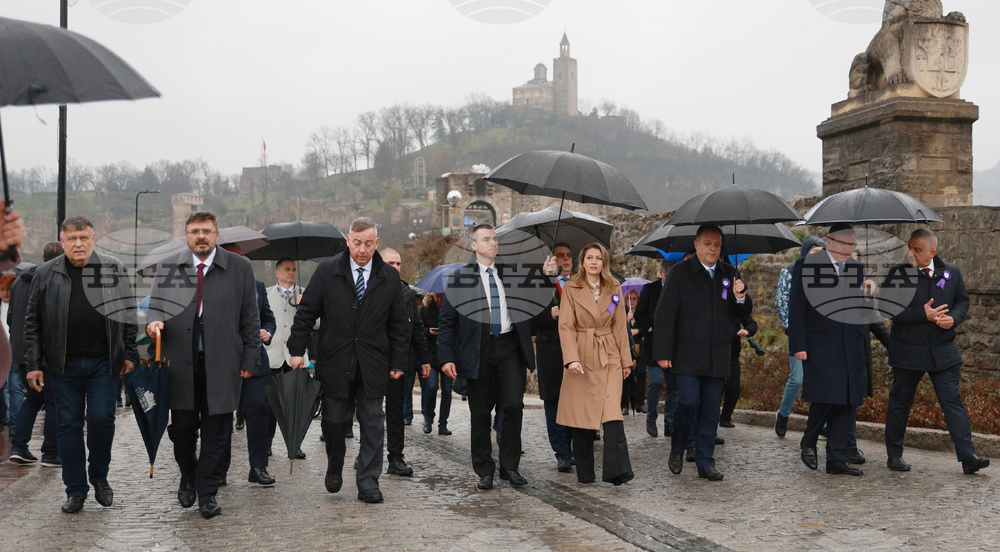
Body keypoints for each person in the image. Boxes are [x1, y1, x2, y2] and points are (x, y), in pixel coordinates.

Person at [287, 217, 409, 504]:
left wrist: (398, 362)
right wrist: (296, 350)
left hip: (373, 363)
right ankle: (335, 464)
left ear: (376, 242)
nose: (362, 249)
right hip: (334, 361)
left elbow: (399, 326)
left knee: (372, 422)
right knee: (333, 422)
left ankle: (368, 482)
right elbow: (306, 314)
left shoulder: (388, 278)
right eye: (357, 243)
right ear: (348, 241)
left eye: (368, 243)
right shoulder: (328, 272)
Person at [146, 211, 261, 518]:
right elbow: (155, 307)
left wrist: (250, 357)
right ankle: (188, 474)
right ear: (186, 236)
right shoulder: (170, 267)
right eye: (195, 230)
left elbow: (250, 317)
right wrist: (153, 322)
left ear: (216, 234)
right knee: (182, 428)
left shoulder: (240, 268)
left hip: (223, 363)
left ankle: (207, 491)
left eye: (206, 231)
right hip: (180, 363)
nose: (201, 236)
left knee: (218, 432)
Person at [25, 216, 138, 513]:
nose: (78, 244)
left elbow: (128, 312)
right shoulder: (47, 273)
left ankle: (99, 476)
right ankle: (75, 490)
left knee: (102, 419)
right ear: (62, 241)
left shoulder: (113, 268)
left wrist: (130, 353)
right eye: (72, 238)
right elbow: (32, 322)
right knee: (68, 426)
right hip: (62, 365)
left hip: (104, 362)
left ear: (93, 237)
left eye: (84, 237)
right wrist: (33, 364)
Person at [882, 228, 990, 474]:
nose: (911, 253)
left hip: (943, 351)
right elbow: (889, 310)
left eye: (917, 250)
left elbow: (963, 300)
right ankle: (894, 455)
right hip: (908, 351)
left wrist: (953, 318)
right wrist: (924, 315)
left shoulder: (951, 272)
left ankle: (968, 457)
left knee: (952, 401)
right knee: (900, 403)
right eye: (909, 247)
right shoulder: (898, 274)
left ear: (932, 251)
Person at [438, 224, 536, 490]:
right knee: (480, 413)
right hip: (476, 351)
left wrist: (548, 276)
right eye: (487, 239)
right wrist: (446, 357)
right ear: (474, 245)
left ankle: (510, 467)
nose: (493, 243)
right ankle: (484, 469)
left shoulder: (512, 275)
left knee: (514, 405)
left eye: (495, 239)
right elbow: (447, 322)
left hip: (509, 347)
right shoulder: (460, 279)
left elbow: (533, 303)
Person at [653, 225, 751, 481]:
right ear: (696, 245)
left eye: (717, 244)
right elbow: (664, 315)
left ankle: (705, 461)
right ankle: (678, 447)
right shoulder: (680, 273)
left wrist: (740, 296)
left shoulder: (729, 274)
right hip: (685, 354)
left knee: (710, 409)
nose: (712, 249)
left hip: (717, 354)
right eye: (707, 243)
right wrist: (663, 352)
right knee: (688, 402)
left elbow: (742, 313)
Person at [788, 224, 868, 476]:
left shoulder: (856, 268)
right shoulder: (808, 266)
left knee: (846, 400)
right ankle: (808, 441)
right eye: (842, 244)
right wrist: (798, 344)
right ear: (830, 242)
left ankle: (836, 457)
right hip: (820, 342)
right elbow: (797, 307)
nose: (847, 249)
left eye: (851, 245)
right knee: (824, 398)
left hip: (850, 342)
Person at [557, 243, 634, 485]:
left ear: (604, 262)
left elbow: (620, 327)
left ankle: (617, 471)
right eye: (589, 257)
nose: (593, 262)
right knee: (582, 417)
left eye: (598, 258)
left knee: (612, 414)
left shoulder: (614, 287)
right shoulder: (571, 288)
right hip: (581, 353)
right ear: (583, 261)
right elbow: (566, 326)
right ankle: (585, 473)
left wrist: (625, 362)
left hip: (609, 353)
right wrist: (571, 358)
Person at [218, 243, 277, 487]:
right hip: (222, 362)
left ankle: (258, 466)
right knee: (221, 418)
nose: (237, 261)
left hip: (255, 361)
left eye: (240, 257)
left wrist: (268, 332)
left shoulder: (258, 287)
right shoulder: (213, 286)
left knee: (256, 411)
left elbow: (269, 319)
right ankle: (219, 470)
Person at [8, 242, 63, 466]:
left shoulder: (20, 281)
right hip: (44, 352)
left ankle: (19, 446)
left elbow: (12, 316)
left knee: (32, 398)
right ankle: (50, 452)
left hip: (20, 350)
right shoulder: (54, 281)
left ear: (41, 256)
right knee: (53, 401)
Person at [380, 247, 431, 477]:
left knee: (395, 412)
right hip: (373, 360)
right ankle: (366, 455)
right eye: (391, 263)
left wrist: (424, 359)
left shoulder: (408, 294)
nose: (396, 268)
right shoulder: (368, 290)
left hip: (400, 361)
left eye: (399, 264)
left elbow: (417, 329)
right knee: (369, 411)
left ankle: (395, 457)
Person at [773, 236, 825, 438]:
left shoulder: (826, 274)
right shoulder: (791, 270)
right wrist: (792, 328)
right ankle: (783, 414)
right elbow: (781, 302)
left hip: (821, 336)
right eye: (814, 252)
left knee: (823, 380)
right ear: (805, 252)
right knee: (798, 378)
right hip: (798, 334)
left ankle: (823, 423)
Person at [533, 241, 575, 473]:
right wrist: (548, 314)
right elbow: (529, 320)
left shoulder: (581, 284)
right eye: (561, 256)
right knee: (554, 402)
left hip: (576, 351)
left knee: (574, 400)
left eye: (569, 255)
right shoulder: (540, 284)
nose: (566, 259)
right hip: (551, 350)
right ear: (551, 260)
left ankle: (572, 447)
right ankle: (562, 452)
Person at [264, 257, 311, 457]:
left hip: (295, 357)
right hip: (271, 357)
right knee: (268, 406)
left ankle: (295, 445)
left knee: (294, 406)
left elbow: (316, 323)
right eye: (286, 269)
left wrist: (305, 308)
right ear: (277, 273)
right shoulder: (265, 294)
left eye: (293, 269)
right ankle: (265, 444)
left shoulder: (305, 294)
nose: (291, 273)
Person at [636, 260, 674, 438]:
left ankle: (670, 422)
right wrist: (649, 328)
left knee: (673, 386)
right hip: (653, 345)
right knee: (657, 381)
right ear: (661, 273)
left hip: (674, 345)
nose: (669, 278)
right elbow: (639, 315)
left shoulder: (680, 289)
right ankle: (651, 418)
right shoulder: (650, 290)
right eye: (667, 274)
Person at [419, 292, 454, 435]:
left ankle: (443, 423)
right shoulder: (425, 309)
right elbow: (418, 330)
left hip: (448, 355)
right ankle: (428, 418)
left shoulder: (452, 308)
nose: (439, 299)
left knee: (447, 391)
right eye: (437, 296)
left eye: (442, 296)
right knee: (431, 387)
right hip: (431, 355)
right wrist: (428, 332)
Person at [719, 312, 758, 427]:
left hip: (732, 353)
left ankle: (725, 418)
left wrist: (748, 330)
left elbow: (751, 323)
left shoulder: (737, 307)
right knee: (715, 388)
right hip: (716, 352)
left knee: (734, 387)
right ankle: (711, 420)